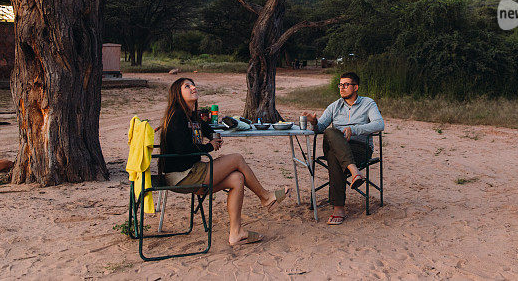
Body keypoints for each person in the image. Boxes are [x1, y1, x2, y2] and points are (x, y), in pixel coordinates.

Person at [160, 77, 289, 245]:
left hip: (194, 173)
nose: (193, 87)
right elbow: (182, 151)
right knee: (236, 159)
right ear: (177, 93)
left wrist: (214, 136)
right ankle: (265, 197)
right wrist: (209, 147)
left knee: (237, 178)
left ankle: (236, 233)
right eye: (187, 86)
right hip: (182, 176)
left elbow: (208, 130)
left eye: (193, 84)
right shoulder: (177, 116)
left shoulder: (191, 116)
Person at [303, 71, 384, 225]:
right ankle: (354, 171)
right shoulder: (334, 106)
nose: (342, 88)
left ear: (356, 87)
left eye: (346, 85)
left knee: (334, 158)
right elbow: (320, 128)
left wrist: (354, 130)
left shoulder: (368, 103)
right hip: (338, 145)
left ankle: (338, 209)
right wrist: (314, 122)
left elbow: (379, 124)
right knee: (330, 131)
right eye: (340, 84)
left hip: (359, 148)